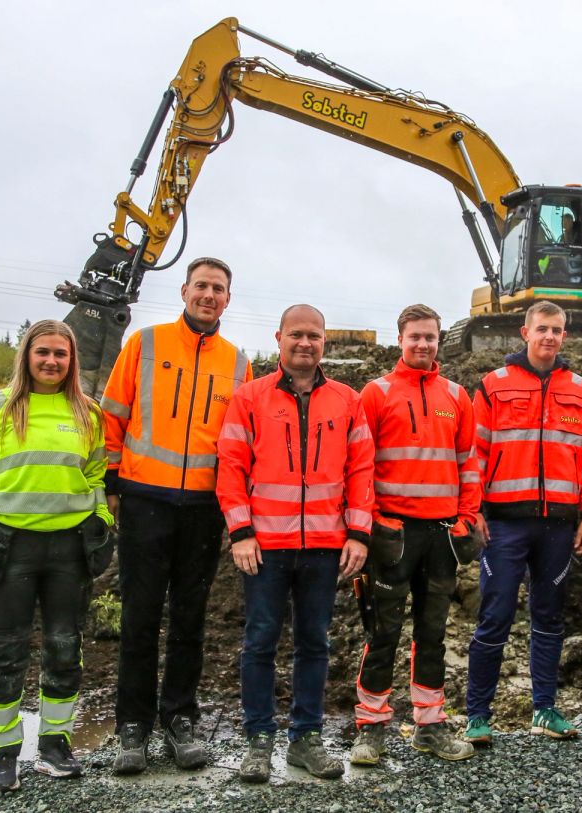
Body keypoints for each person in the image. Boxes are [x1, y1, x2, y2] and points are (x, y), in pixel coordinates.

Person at [0, 319, 113, 793]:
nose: (52, 361)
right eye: (43, 353)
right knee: (5, 651)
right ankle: (3, 753)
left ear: (71, 359)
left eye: (61, 353)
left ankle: (55, 745)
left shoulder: (87, 412)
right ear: (27, 356)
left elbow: (97, 472)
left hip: (68, 550)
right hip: (8, 548)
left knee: (64, 648)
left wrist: (102, 521)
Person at [101, 256, 252, 775]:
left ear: (228, 299)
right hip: (144, 499)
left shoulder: (237, 362)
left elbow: (237, 443)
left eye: (219, 289)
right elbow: (113, 415)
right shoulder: (144, 344)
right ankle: (133, 724)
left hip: (203, 507)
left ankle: (180, 717)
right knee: (140, 615)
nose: (209, 295)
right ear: (185, 290)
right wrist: (112, 480)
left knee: (190, 616)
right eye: (202, 286)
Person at [217, 304, 374, 783]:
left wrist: (358, 533)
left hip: (325, 547)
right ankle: (259, 740)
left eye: (314, 336)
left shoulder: (348, 400)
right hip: (265, 546)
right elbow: (231, 468)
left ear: (325, 342)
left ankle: (305, 738)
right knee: (259, 641)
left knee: (315, 643)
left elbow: (362, 470)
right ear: (279, 337)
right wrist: (240, 532)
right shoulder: (249, 398)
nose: (305, 343)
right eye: (297, 335)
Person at [464, 301, 582, 745]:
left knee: (549, 616)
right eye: (541, 328)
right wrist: (475, 508)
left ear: (565, 336)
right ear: (524, 332)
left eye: (557, 330)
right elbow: (474, 452)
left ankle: (544, 709)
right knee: (495, 615)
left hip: (559, 526)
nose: (549, 336)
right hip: (503, 524)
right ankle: (477, 715)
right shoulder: (493, 386)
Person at [349, 304, 481, 765]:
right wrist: (369, 523)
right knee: (382, 631)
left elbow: (468, 463)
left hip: (442, 536)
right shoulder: (376, 393)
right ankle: (370, 729)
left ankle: (430, 726)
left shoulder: (456, 395)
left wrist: (466, 518)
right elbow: (359, 465)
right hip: (394, 535)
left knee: (433, 632)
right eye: (415, 337)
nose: (422, 344)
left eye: (430, 337)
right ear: (400, 339)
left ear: (438, 340)